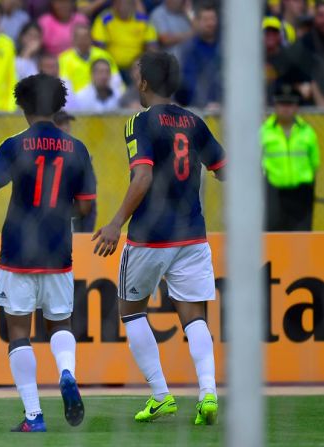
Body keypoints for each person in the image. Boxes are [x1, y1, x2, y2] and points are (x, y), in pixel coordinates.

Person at [0, 74, 96, 432]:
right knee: (60, 323)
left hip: (18, 249)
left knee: (19, 332)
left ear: (22, 104)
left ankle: (34, 416)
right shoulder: (77, 148)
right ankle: (66, 372)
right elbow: (84, 207)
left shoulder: (15, 145)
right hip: (58, 249)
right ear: (59, 105)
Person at [92, 51, 226, 425]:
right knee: (194, 316)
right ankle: (209, 393)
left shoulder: (140, 122)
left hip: (151, 236)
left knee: (131, 310)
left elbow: (144, 176)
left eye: (137, 76)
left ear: (145, 84)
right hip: (192, 236)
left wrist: (115, 222)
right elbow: (223, 168)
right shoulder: (194, 122)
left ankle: (161, 395)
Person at [261, 84, 320, 231]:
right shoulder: (264, 132)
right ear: (275, 105)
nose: (286, 108)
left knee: (302, 236)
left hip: (302, 194)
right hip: (275, 193)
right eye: (282, 103)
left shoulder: (307, 132)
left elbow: (315, 163)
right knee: (274, 237)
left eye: (290, 103)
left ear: (297, 106)